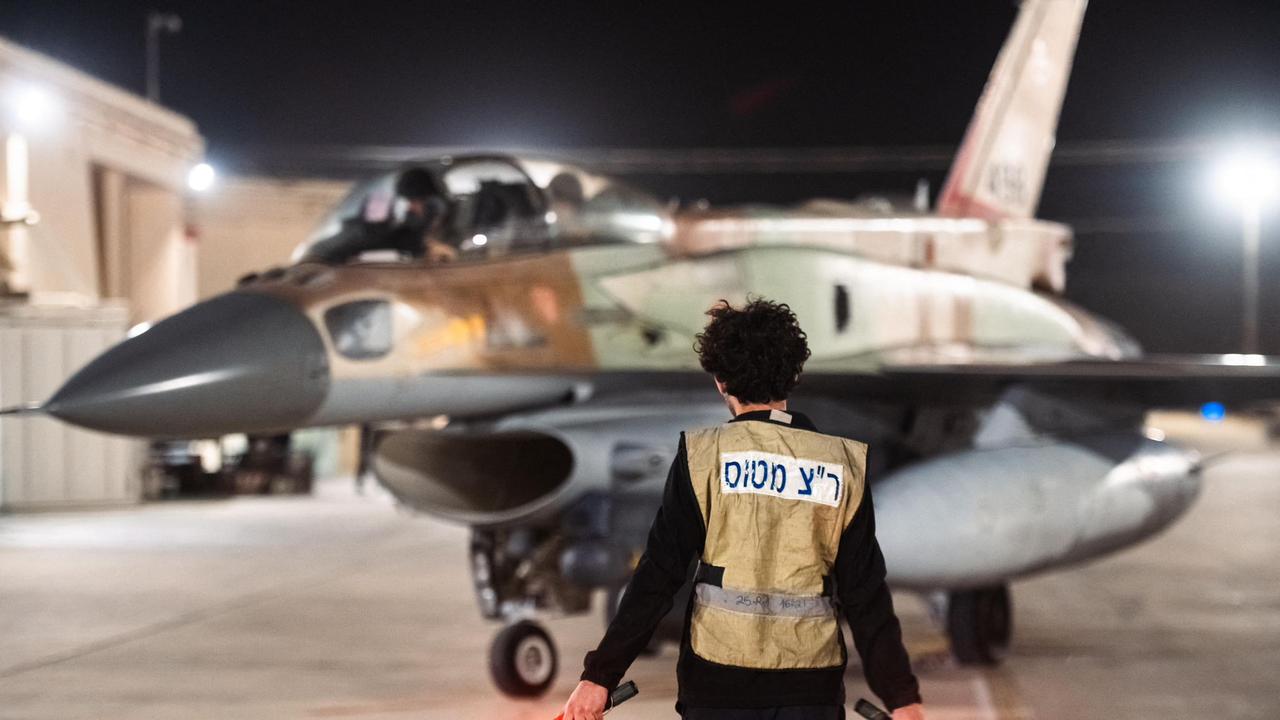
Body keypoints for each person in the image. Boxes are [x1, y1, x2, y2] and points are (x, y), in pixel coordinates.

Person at [560, 298, 925, 720]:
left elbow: (658, 577)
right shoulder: (841, 465)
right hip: (809, 692)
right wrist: (902, 699)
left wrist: (599, 677)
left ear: (720, 381)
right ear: (794, 375)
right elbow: (866, 595)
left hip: (716, 689)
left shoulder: (702, 458)